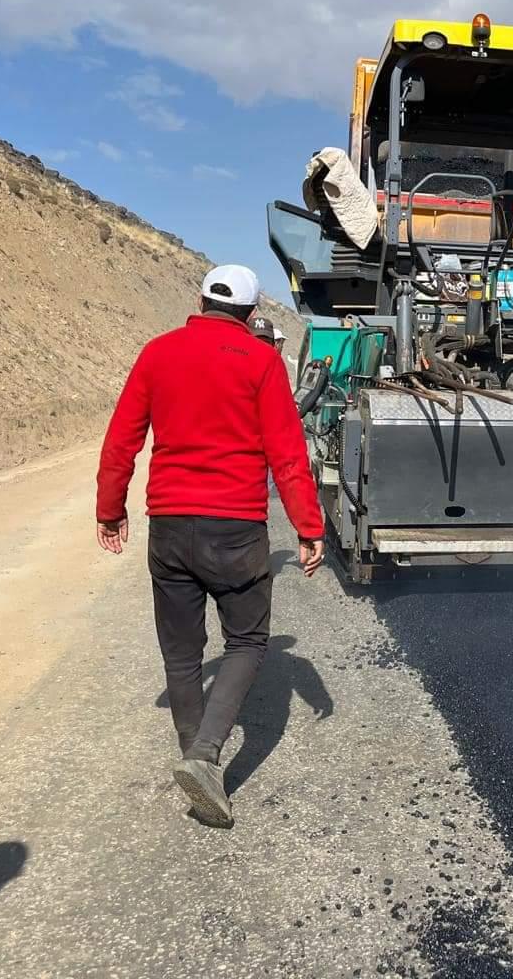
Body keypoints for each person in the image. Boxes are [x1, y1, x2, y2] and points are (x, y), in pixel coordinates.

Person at [96, 263, 326, 827]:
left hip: (170, 527)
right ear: (251, 316)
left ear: (199, 302)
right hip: (236, 528)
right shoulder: (261, 360)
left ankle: (195, 758)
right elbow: (288, 454)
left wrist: (110, 510)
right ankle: (204, 758)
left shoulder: (158, 352)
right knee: (247, 641)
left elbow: (122, 437)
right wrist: (309, 528)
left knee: (181, 654)